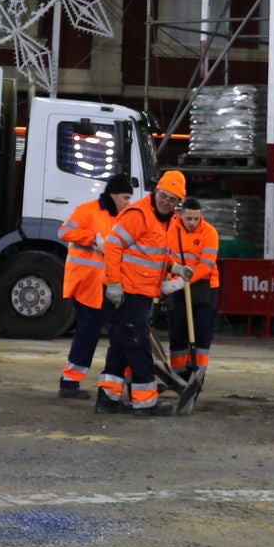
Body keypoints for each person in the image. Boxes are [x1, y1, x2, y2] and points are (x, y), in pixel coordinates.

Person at [97, 169, 187, 416]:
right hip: (128, 292)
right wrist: (114, 284)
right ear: (156, 191)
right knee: (137, 345)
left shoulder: (164, 221)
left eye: (172, 200)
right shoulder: (139, 215)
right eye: (164, 196)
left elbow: (152, 252)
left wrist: (174, 266)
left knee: (120, 345)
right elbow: (113, 246)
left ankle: (107, 398)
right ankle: (145, 402)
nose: (166, 202)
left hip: (140, 292)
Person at [56, 173, 134, 398]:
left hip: (108, 284)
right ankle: (69, 382)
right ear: (114, 195)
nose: (128, 203)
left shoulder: (121, 217)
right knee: (88, 332)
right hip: (87, 284)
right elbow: (64, 232)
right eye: (126, 197)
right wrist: (92, 238)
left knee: (121, 334)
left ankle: (132, 379)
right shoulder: (87, 211)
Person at [166, 196, 220, 394]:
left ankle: (198, 376)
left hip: (206, 286)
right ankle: (179, 377)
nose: (193, 223)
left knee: (202, 334)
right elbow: (166, 257)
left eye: (197, 219)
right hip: (178, 287)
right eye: (189, 218)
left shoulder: (210, 232)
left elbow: (206, 265)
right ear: (181, 215)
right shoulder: (171, 230)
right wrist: (173, 281)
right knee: (178, 332)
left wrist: (185, 279)